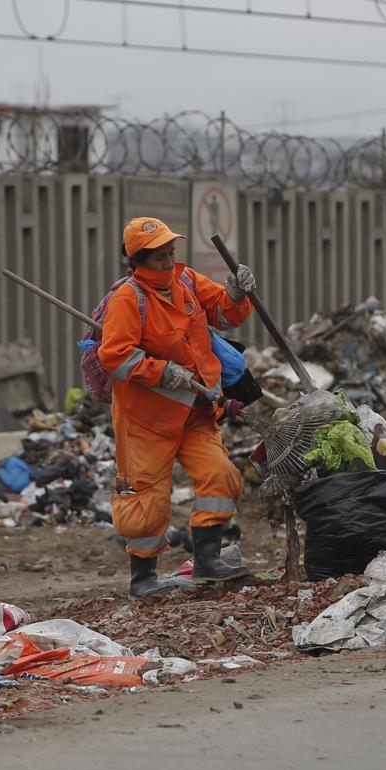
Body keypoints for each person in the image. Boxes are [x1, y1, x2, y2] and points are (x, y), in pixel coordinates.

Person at [97, 217, 257, 597]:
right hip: (146, 419)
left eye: (172, 252)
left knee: (220, 475)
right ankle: (144, 579)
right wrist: (164, 372)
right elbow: (115, 357)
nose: (170, 261)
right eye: (161, 257)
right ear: (139, 260)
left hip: (196, 412)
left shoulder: (185, 282)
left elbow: (223, 313)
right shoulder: (128, 299)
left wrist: (235, 292)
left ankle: (207, 559)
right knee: (146, 499)